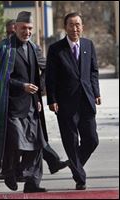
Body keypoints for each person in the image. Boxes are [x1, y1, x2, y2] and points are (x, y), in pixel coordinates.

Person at [0, 11, 47, 193]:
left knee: (37, 144)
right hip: (11, 106)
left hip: (31, 105)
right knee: (17, 142)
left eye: (29, 29)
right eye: (23, 28)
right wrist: (22, 86)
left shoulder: (34, 48)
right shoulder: (5, 48)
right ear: (15, 28)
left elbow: (42, 73)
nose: (26, 32)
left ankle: (31, 183)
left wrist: (37, 95)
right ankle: (10, 170)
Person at [45, 12, 100, 190]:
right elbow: (50, 77)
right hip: (65, 102)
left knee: (92, 139)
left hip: (86, 99)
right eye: (71, 25)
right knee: (71, 141)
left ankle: (74, 164)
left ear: (82, 26)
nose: (75, 28)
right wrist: (52, 99)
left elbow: (93, 71)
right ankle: (80, 177)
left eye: (78, 25)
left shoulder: (88, 45)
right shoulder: (56, 49)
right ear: (65, 27)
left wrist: (96, 92)